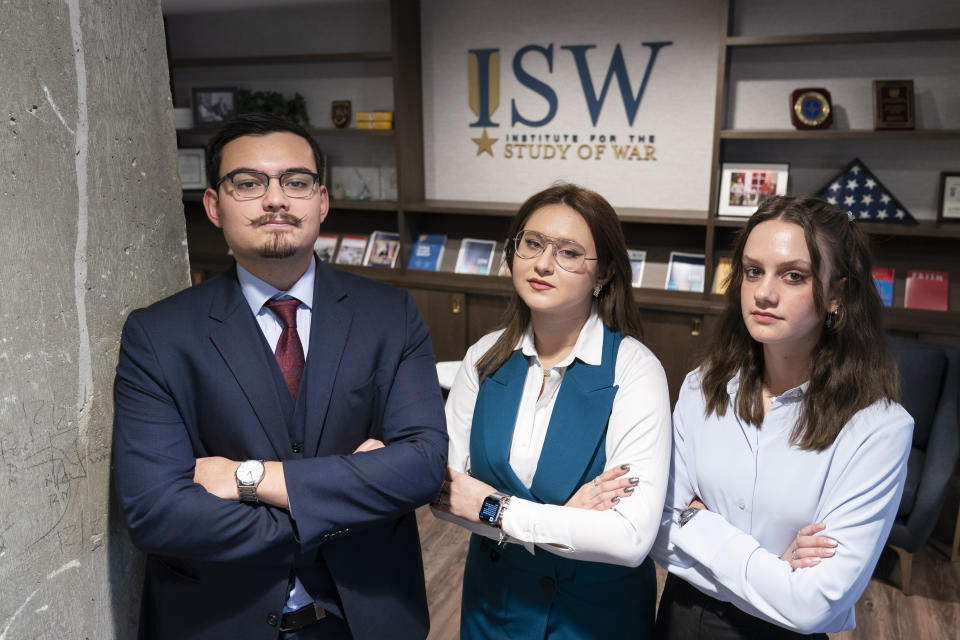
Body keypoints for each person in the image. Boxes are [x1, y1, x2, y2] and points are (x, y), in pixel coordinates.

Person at [112, 113, 447, 640]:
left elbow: (423, 467)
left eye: (296, 182)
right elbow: (157, 511)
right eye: (248, 183)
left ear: (322, 201)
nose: (276, 199)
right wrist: (347, 501)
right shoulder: (159, 334)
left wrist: (248, 479)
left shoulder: (390, 315)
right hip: (218, 622)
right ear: (213, 206)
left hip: (368, 619)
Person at [651, 196, 913, 639]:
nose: (764, 293)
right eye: (753, 271)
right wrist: (775, 568)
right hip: (681, 616)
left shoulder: (880, 429)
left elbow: (813, 606)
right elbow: (654, 529)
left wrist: (695, 520)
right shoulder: (702, 386)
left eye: (794, 275)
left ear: (837, 294)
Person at [433, 183, 672, 639]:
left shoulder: (635, 370)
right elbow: (445, 496)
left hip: (594, 620)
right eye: (533, 243)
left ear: (602, 274)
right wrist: (568, 516)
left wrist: (492, 508)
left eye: (568, 252)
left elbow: (629, 540)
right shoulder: (484, 357)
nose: (543, 263)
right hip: (494, 610)